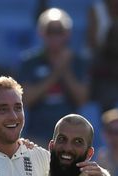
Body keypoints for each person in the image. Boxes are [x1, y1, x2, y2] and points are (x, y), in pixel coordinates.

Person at [18, 8, 89, 146]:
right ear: (42, 33)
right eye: (50, 31)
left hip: (70, 135)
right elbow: (26, 99)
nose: (55, 36)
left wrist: (66, 71)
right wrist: (56, 73)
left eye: (59, 31)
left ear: (67, 34)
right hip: (37, 134)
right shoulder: (30, 61)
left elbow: (82, 99)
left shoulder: (78, 61)